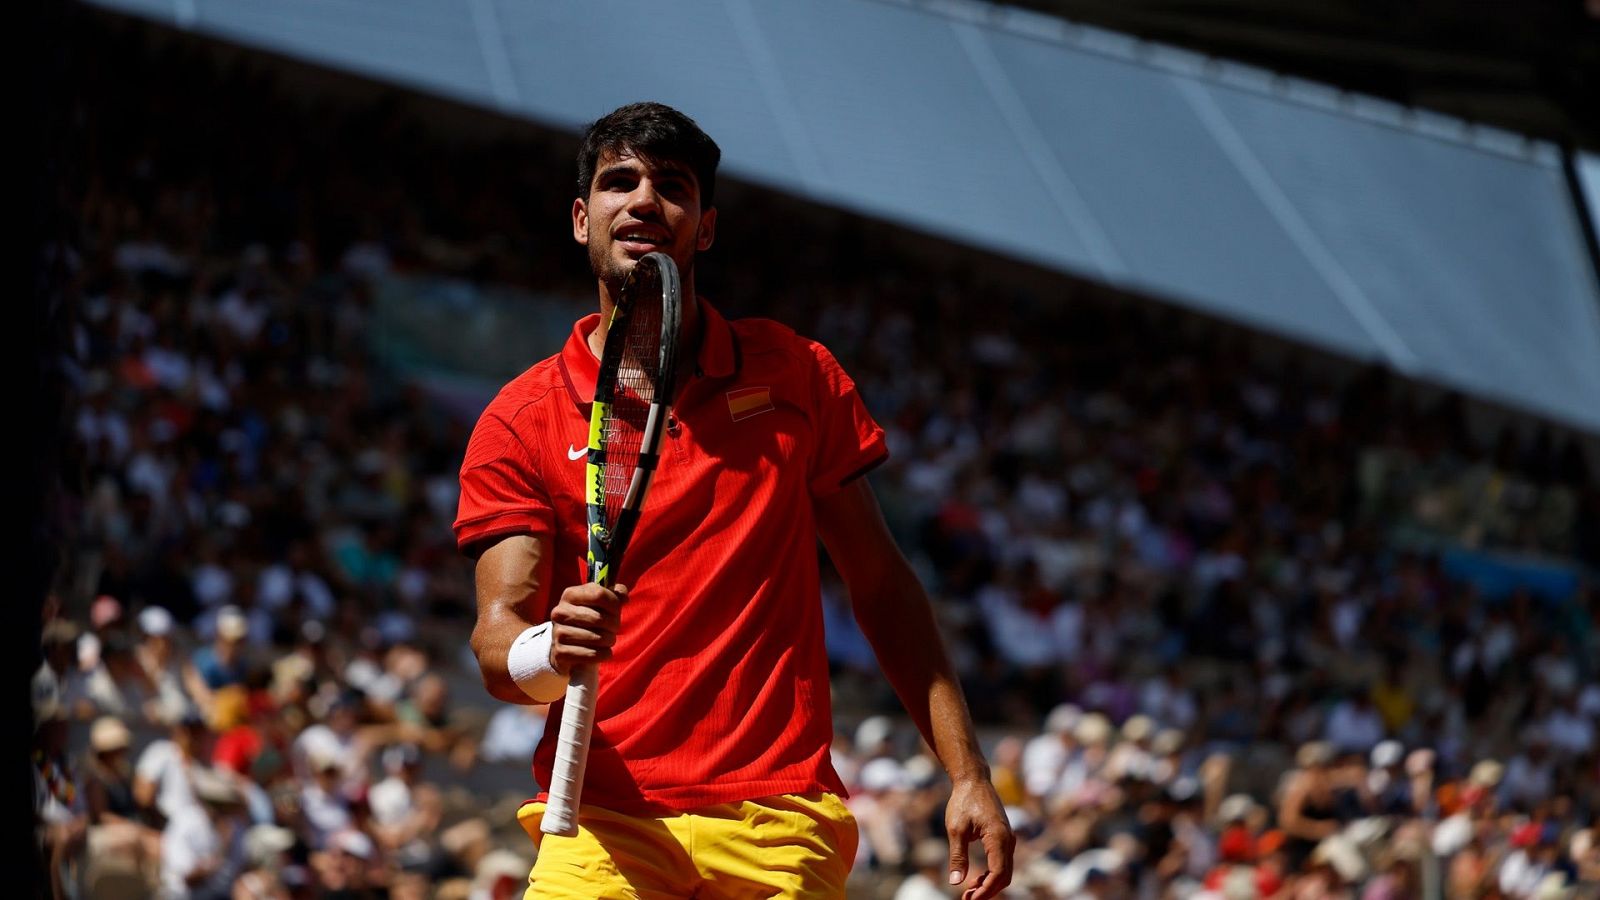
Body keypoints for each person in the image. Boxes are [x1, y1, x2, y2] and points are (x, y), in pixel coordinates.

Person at [457, 101, 1013, 898]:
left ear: (705, 227)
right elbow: (498, 647)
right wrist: (550, 647)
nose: (644, 201)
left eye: (671, 187)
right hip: (601, 823)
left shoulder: (797, 375)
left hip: (780, 819)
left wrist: (967, 773)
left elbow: (881, 583)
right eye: (619, 183)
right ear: (582, 220)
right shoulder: (520, 419)